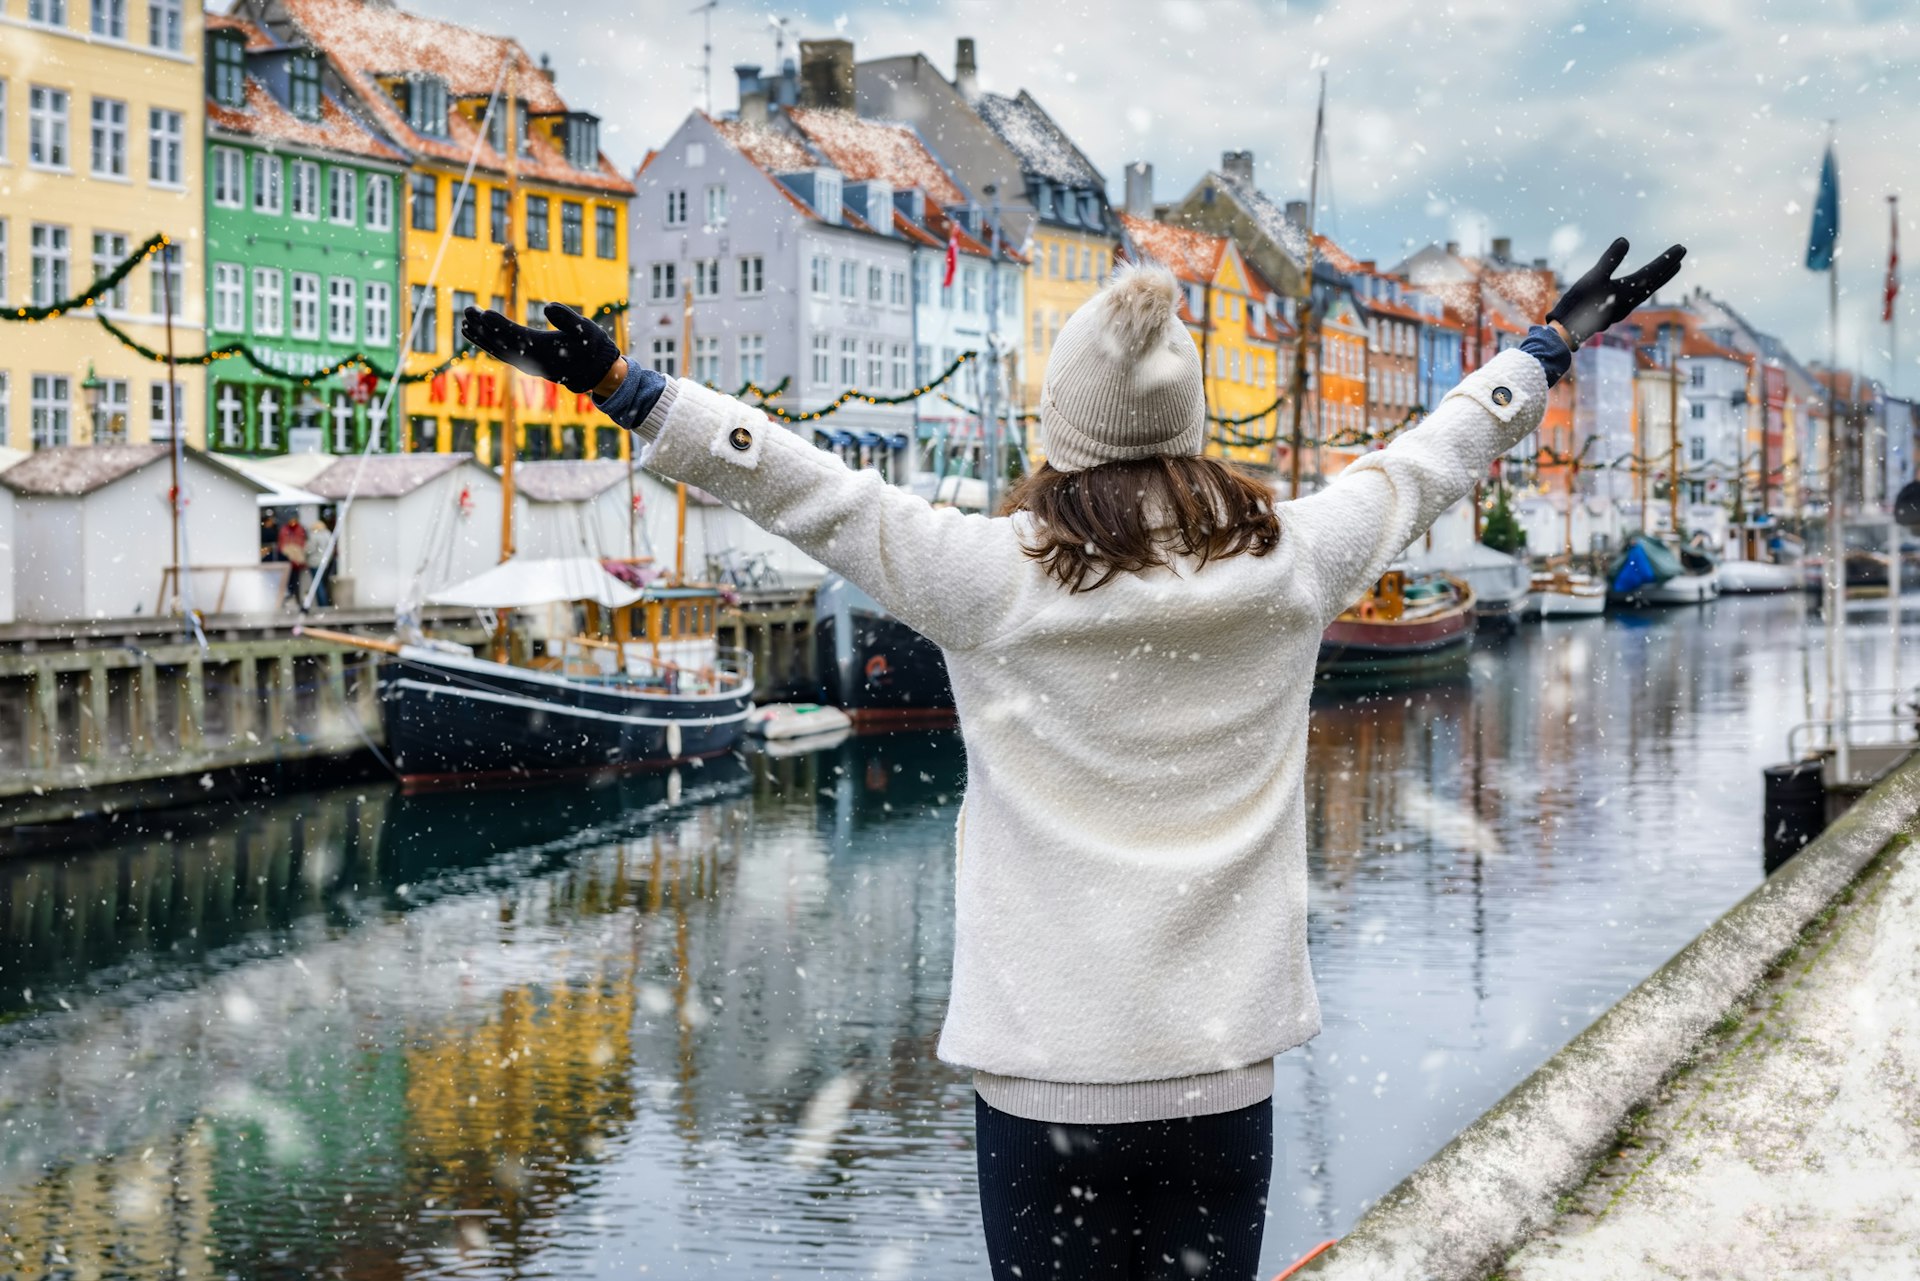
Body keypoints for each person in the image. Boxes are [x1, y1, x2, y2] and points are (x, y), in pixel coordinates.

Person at [462, 236, 1683, 1280]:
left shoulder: (989, 578)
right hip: (1220, 1075)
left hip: (1047, 1087)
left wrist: (632, 390)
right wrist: (1544, 348)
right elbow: (1429, 460)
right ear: (1188, 427)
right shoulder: (1295, 563)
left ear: (1065, 429)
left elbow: (805, 488)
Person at [277, 516, 308, 609]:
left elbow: (302, 543)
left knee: (295, 582)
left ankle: (296, 599)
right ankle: (291, 599)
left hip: (296, 563)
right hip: (288, 562)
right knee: (289, 582)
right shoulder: (285, 530)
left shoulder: (299, 530)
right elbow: (282, 544)